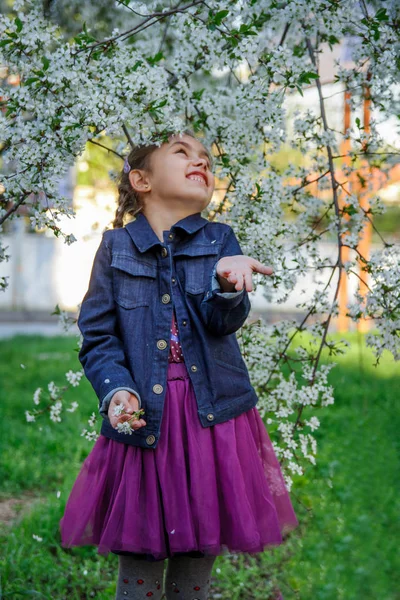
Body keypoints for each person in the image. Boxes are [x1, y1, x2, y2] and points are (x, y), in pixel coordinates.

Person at [59, 128, 299, 600]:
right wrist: (116, 389)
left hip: (211, 419)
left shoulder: (219, 238)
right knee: (142, 552)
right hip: (146, 418)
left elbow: (220, 321)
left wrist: (228, 288)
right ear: (142, 180)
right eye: (182, 152)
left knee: (197, 554)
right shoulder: (115, 248)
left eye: (207, 158)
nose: (201, 162)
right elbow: (99, 335)